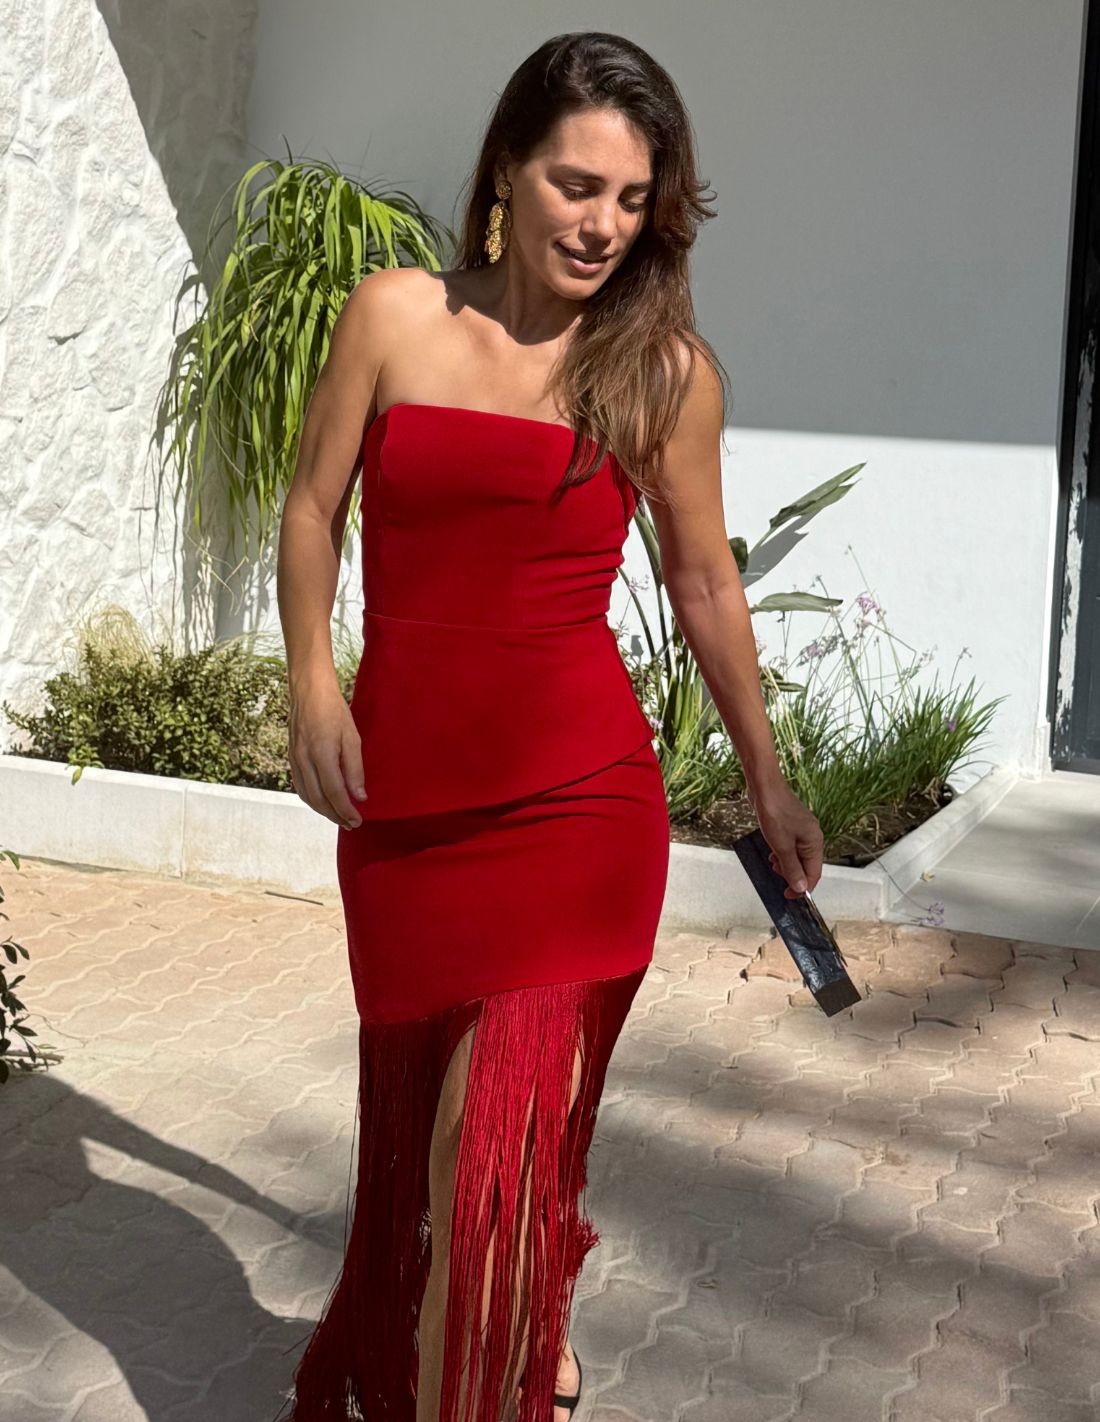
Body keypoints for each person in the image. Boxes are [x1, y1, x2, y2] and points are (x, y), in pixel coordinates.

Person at [274, 30, 824, 1422]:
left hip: (580, 812)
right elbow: (311, 509)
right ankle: (524, 1317)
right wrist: (313, 686)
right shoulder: (393, 317)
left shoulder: (663, 373)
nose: (602, 225)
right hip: (405, 814)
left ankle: (480, 1373)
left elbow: (704, 582)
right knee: (438, 1143)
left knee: (493, 1154)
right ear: (506, 173)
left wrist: (768, 779)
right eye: (577, 186)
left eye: (632, 199)